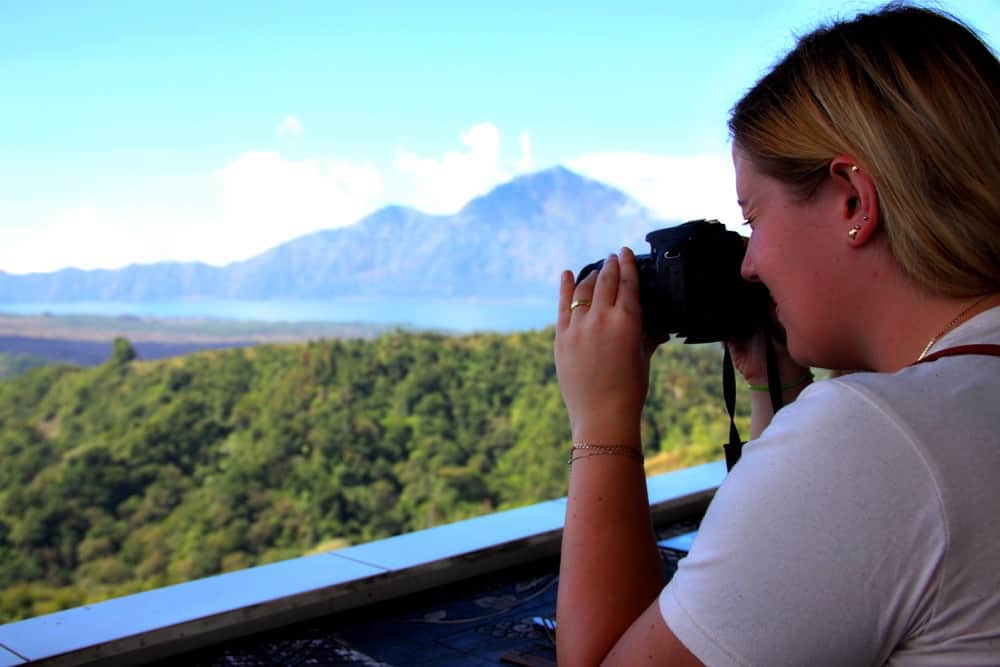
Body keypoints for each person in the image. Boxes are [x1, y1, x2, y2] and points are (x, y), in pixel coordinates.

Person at [553, 4, 1000, 665]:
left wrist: (601, 422)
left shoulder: (876, 437)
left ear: (852, 198)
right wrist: (776, 389)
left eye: (752, 217)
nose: (749, 263)